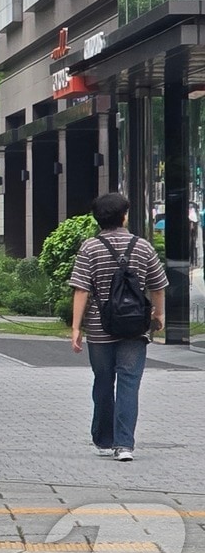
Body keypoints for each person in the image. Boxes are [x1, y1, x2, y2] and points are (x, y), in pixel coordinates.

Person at [69, 192, 167, 462]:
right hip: (135, 327)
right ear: (124, 216)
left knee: (103, 380)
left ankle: (103, 440)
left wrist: (76, 327)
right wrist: (158, 316)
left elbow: (81, 290)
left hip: (100, 329)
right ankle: (124, 445)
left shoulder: (90, 248)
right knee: (129, 382)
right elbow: (158, 286)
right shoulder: (143, 247)